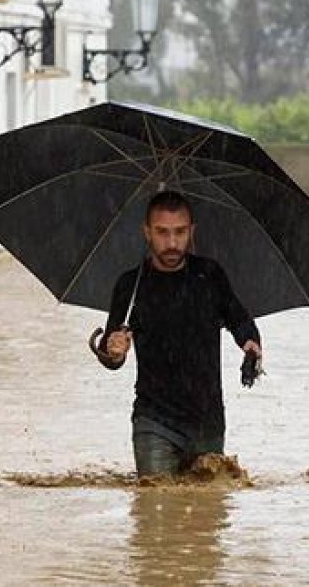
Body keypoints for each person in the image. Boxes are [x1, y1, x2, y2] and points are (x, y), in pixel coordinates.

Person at [95, 190, 262, 478]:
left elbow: (240, 320)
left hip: (207, 423)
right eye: (162, 232)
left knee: (206, 517)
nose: (172, 243)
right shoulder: (131, 286)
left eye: (180, 232)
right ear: (147, 232)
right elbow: (111, 355)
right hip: (154, 421)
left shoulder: (209, 276)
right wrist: (113, 351)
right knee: (155, 508)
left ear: (191, 231)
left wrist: (250, 344)